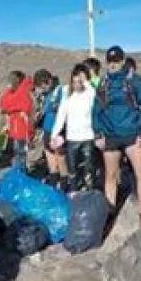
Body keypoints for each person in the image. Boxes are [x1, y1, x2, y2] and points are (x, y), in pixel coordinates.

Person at [93, 45, 141, 228]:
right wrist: (98, 133)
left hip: (132, 135)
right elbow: (95, 111)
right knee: (110, 176)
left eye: (116, 61)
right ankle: (110, 212)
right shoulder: (103, 83)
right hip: (110, 136)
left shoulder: (135, 81)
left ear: (122, 61)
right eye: (110, 61)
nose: (113, 64)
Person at [51, 64, 97, 192]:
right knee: (72, 169)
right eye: (74, 81)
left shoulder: (89, 93)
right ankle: (73, 193)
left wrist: (86, 81)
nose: (77, 84)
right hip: (72, 138)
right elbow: (61, 116)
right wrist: (54, 135)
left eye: (80, 81)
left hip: (88, 137)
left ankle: (90, 193)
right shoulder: (67, 95)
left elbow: (93, 93)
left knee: (89, 169)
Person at [33, 69, 69, 190]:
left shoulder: (60, 91)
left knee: (60, 159)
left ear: (48, 81)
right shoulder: (44, 95)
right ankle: (53, 183)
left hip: (58, 131)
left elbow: (63, 111)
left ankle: (65, 185)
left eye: (42, 87)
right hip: (46, 129)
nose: (41, 89)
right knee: (50, 159)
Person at [0, 71, 34, 172]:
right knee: (18, 154)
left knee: (20, 154)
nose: (9, 82)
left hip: (21, 129)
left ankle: (21, 176)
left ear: (17, 80)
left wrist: (9, 109)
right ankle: (20, 174)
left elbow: (5, 105)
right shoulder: (20, 90)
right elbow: (4, 104)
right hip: (17, 127)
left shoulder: (23, 91)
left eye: (11, 79)